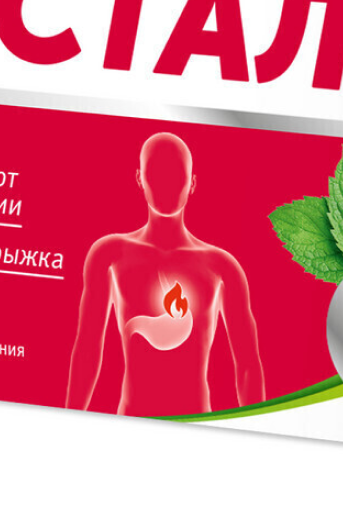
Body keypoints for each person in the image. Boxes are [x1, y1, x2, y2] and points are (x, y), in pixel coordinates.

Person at [66, 132, 265, 416]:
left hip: (195, 423)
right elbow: (87, 349)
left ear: (192, 183)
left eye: (176, 175)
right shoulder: (109, 254)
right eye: (157, 173)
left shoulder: (222, 267)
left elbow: (247, 365)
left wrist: (254, 430)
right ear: (139, 179)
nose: (166, 185)